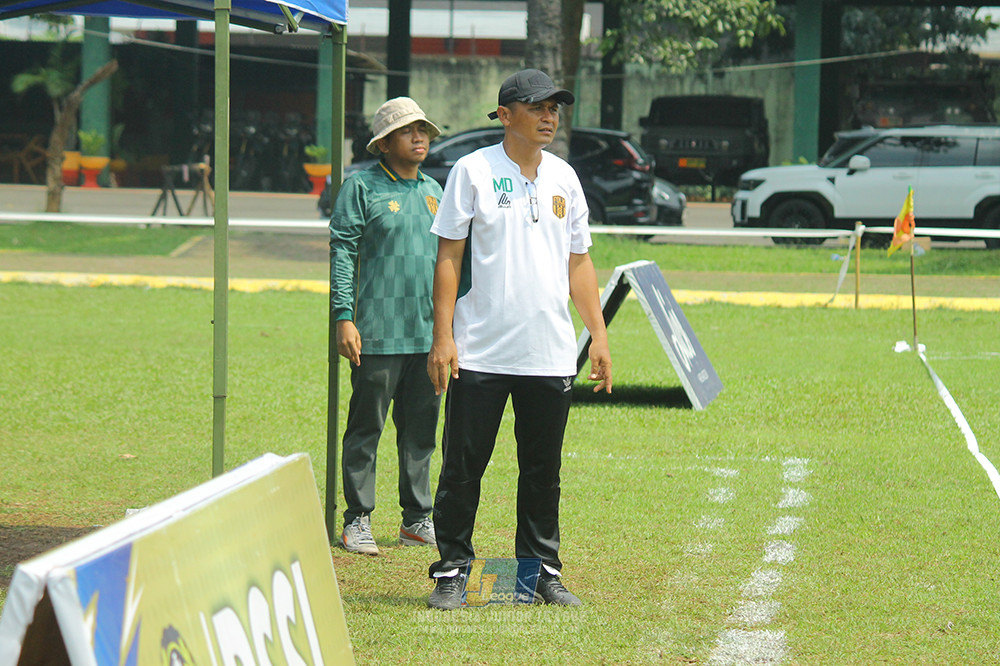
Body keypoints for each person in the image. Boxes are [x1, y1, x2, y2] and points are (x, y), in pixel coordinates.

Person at [425, 69, 613, 609]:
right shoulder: (472, 171)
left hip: (549, 351)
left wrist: (596, 334)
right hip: (481, 347)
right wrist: (444, 337)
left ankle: (540, 572)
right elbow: (449, 257)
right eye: (536, 107)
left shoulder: (565, 178)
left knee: (542, 472)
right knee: (462, 468)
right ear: (505, 115)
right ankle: (452, 570)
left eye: (554, 107)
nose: (549, 116)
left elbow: (580, 262)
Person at [329, 97, 444, 555]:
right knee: (366, 428)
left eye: (423, 131)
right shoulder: (361, 188)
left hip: (429, 336)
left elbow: (456, 265)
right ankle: (357, 518)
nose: (419, 138)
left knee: (420, 432)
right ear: (384, 142)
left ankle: (417, 519)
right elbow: (342, 254)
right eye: (407, 131)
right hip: (375, 331)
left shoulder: (438, 191)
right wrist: (344, 317)